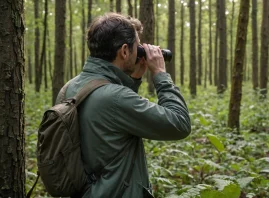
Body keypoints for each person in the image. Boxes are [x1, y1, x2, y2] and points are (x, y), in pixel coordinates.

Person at [58, 13, 191, 197]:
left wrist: (134, 79)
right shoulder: (115, 99)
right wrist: (160, 74)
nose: (140, 51)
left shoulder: (69, 88)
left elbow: (111, 124)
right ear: (125, 51)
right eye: (138, 46)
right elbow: (179, 123)